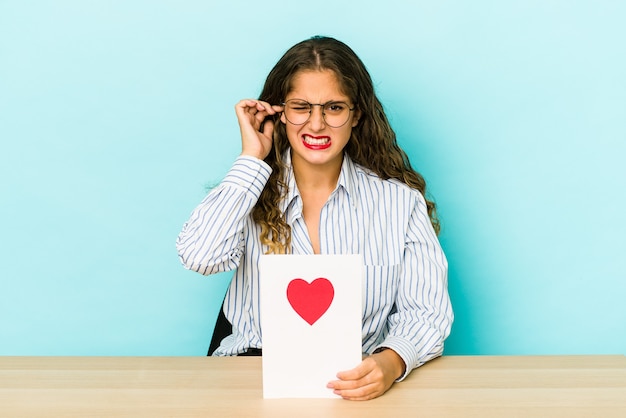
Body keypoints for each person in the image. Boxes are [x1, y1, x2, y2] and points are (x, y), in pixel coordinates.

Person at [176, 35, 453, 400]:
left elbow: (427, 312)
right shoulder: (248, 196)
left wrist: (391, 361)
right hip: (249, 380)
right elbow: (199, 256)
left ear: (356, 116)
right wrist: (251, 159)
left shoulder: (401, 203)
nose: (317, 124)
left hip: (352, 383)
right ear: (280, 112)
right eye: (301, 107)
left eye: (334, 107)